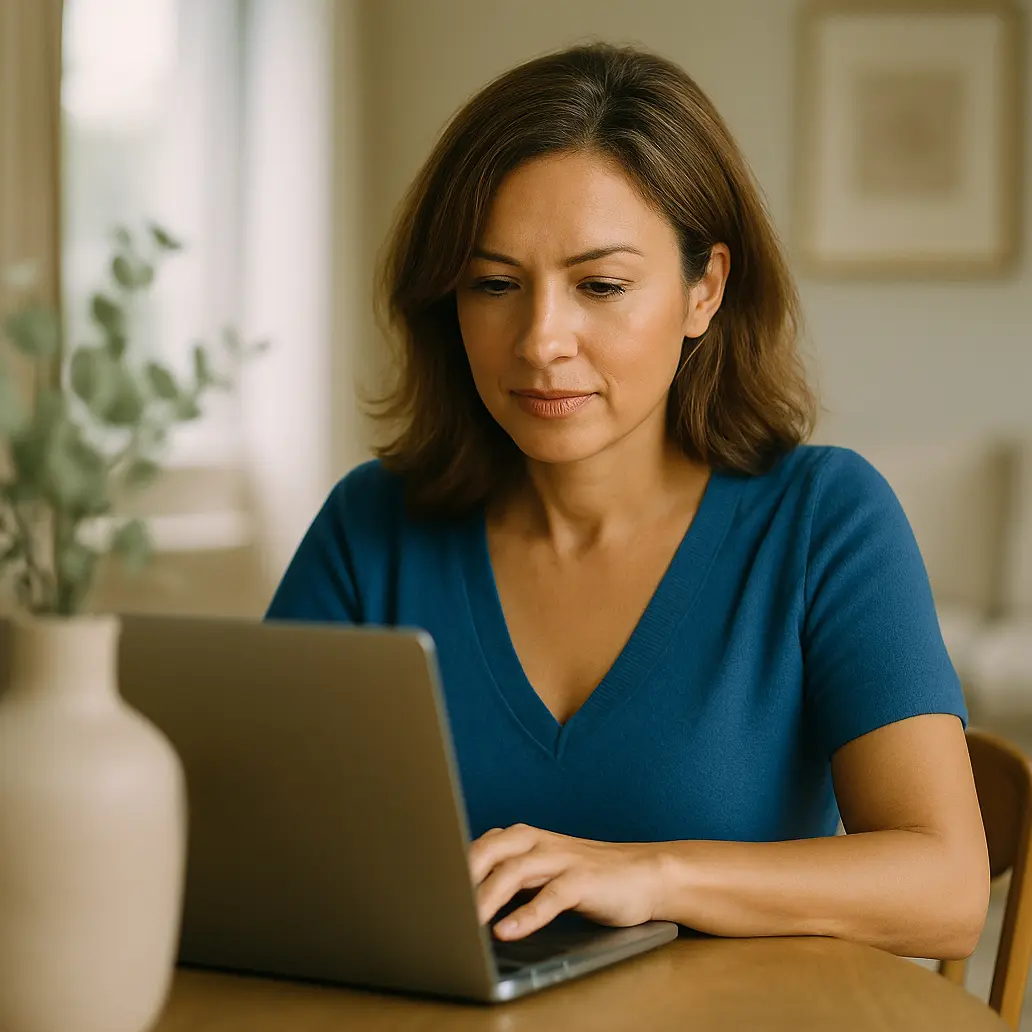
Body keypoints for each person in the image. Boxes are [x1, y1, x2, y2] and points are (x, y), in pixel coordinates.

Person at [265, 42, 989, 960]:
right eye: (494, 285)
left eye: (600, 286)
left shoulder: (824, 520)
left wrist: (649, 874)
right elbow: (255, 847)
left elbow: (949, 889)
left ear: (704, 290)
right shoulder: (370, 527)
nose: (540, 340)